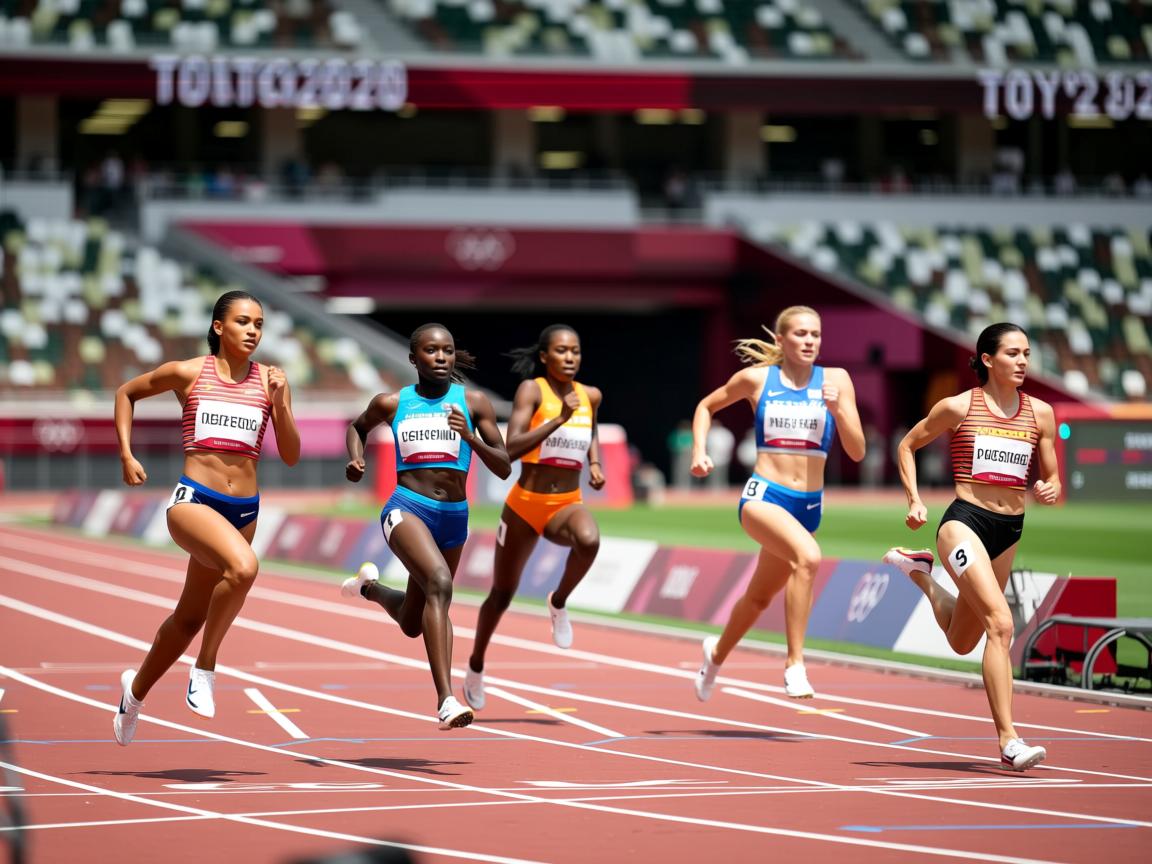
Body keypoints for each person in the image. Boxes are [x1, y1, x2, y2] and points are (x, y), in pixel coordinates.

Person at [111, 290, 300, 745]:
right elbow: (126, 393)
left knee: (188, 618)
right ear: (219, 327)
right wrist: (125, 453)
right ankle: (206, 667)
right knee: (244, 568)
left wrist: (281, 403)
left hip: (245, 510)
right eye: (242, 321)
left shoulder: (272, 381)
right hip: (194, 502)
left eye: (258, 323)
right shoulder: (188, 372)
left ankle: (133, 695)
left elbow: (291, 456)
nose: (253, 331)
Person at [883, 323, 1059, 772]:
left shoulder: (1040, 413)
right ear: (987, 359)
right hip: (964, 525)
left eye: (1027, 353)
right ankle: (1009, 741)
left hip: (1010, 529)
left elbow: (1052, 471)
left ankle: (919, 573)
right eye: (1013, 353)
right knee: (1001, 624)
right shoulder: (958, 406)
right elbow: (907, 445)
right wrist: (915, 500)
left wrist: (1050, 485)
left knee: (964, 640)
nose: (1023, 361)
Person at [340, 323, 510, 729]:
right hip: (406, 508)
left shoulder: (474, 402)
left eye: (448, 351)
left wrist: (470, 436)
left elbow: (503, 466)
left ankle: (368, 588)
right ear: (414, 358)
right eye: (431, 351)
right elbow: (356, 427)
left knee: (413, 622)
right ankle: (446, 699)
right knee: (439, 583)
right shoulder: (393, 403)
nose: (441, 357)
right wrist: (356, 458)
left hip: (454, 517)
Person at [691, 306, 865, 701]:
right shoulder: (756, 379)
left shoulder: (836, 380)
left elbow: (857, 451)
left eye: (816, 335)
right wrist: (699, 452)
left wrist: (838, 409)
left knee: (758, 597)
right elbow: (705, 406)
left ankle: (714, 656)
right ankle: (795, 664)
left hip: (808, 506)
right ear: (780, 340)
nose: (809, 341)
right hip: (764, 496)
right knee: (808, 558)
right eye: (801, 334)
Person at [462, 325, 605, 711]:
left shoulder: (590, 395)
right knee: (502, 594)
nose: (570, 357)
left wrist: (594, 462)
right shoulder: (532, 391)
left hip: (566, 504)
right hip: (525, 505)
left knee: (589, 540)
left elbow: (590, 429)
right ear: (545, 356)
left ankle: (558, 601)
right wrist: (557, 419)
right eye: (562, 351)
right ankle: (475, 664)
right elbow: (510, 449)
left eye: (576, 350)